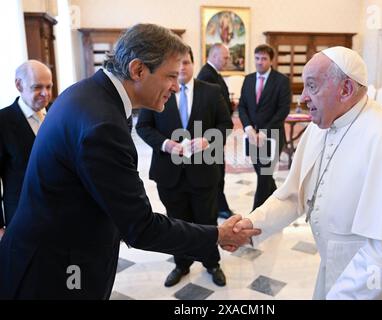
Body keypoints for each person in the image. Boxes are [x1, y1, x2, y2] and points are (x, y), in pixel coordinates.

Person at [0, 24, 260, 300]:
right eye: (170, 75)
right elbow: (140, 227)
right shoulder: (102, 124)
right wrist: (218, 235)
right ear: (138, 70)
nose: (175, 85)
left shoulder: (90, 94)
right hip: (56, 271)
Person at [233, 46, 382, 299]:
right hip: (339, 267)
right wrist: (251, 225)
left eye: (311, 86)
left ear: (345, 89)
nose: (302, 98)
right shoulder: (318, 128)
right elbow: (293, 196)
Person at [136, 47, 232, 287]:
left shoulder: (211, 91)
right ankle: (181, 264)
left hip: (204, 171)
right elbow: (143, 127)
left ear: (193, 63)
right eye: (177, 64)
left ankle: (211, 263)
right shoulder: (156, 90)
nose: (182, 69)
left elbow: (225, 124)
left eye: (186, 62)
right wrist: (166, 144)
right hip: (170, 173)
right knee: (176, 222)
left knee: (207, 220)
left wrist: (208, 139)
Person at [0, 60, 53, 237]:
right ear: (19, 85)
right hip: (22, 218)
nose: (45, 94)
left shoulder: (58, 113)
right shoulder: (3, 121)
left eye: (49, 86)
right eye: (38, 87)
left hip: (60, 214)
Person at [238, 44, 291, 210]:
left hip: (272, 136)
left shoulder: (281, 81)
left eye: (264, 58)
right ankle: (279, 203)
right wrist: (248, 128)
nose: (260, 62)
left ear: (271, 60)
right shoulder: (248, 79)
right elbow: (242, 106)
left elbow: (283, 110)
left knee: (264, 175)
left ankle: (256, 217)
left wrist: (265, 131)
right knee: (263, 174)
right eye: (257, 58)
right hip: (252, 136)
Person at [197, 43, 234, 219]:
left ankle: (220, 205)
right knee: (215, 173)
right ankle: (219, 207)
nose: (227, 61)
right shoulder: (206, 74)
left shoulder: (213, 73)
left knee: (219, 171)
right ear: (214, 56)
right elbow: (206, 109)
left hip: (216, 132)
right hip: (210, 134)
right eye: (225, 57)